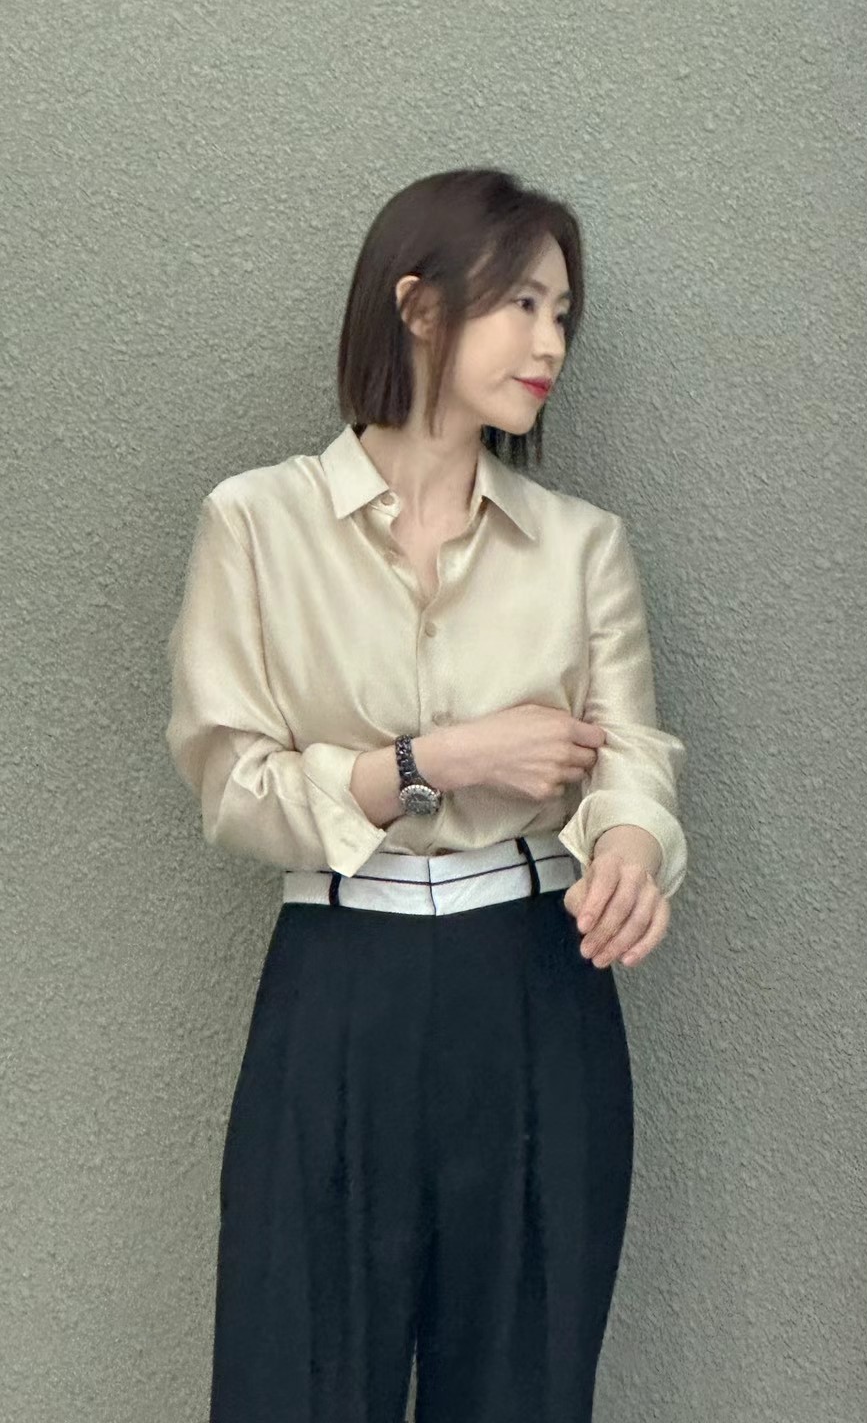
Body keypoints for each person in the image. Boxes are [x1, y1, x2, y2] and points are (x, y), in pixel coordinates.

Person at [164, 166, 688, 1423]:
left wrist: (630, 847)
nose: (550, 343)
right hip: (341, 980)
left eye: (564, 314)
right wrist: (436, 760)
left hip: (539, 983)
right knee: (297, 1374)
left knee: (523, 1380)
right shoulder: (256, 523)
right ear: (417, 304)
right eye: (522, 304)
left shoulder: (583, 546)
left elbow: (632, 752)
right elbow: (233, 783)